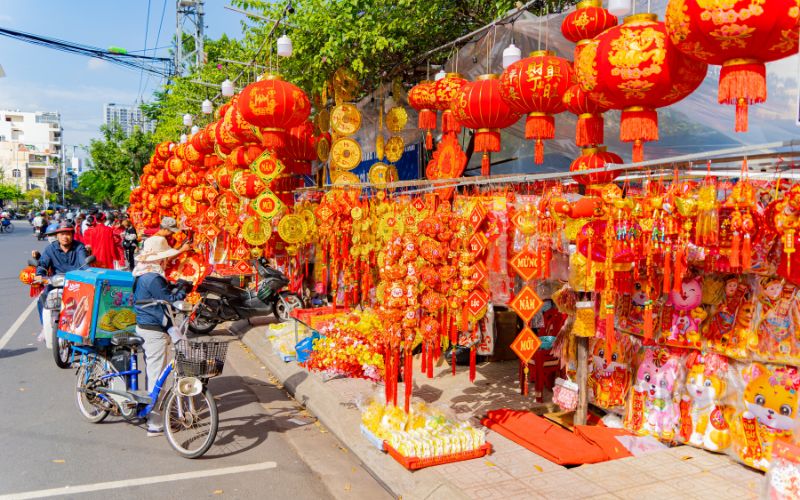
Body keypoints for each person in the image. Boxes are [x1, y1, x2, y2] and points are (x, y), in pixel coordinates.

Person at [132, 235, 191, 436]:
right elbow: (170, 300)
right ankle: (155, 423)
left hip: (147, 324)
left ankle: (152, 412)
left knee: (154, 371)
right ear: (159, 259)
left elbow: (160, 296)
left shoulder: (143, 274)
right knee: (157, 376)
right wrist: (184, 288)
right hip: (154, 329)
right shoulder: (153, 277)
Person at [35, 220, 89, 321]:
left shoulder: (79, 247)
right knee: (42, 299)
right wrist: (39, 275)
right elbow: (43, 264)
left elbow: (84, 264)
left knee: (90, 302)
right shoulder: (50, 249)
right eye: (62, 234)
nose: (65, 237)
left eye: (68, 234)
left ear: (72, 235)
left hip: (77, 283)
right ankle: (44, 327)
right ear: (57, 236)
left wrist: (88, 272)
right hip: (56, 283)